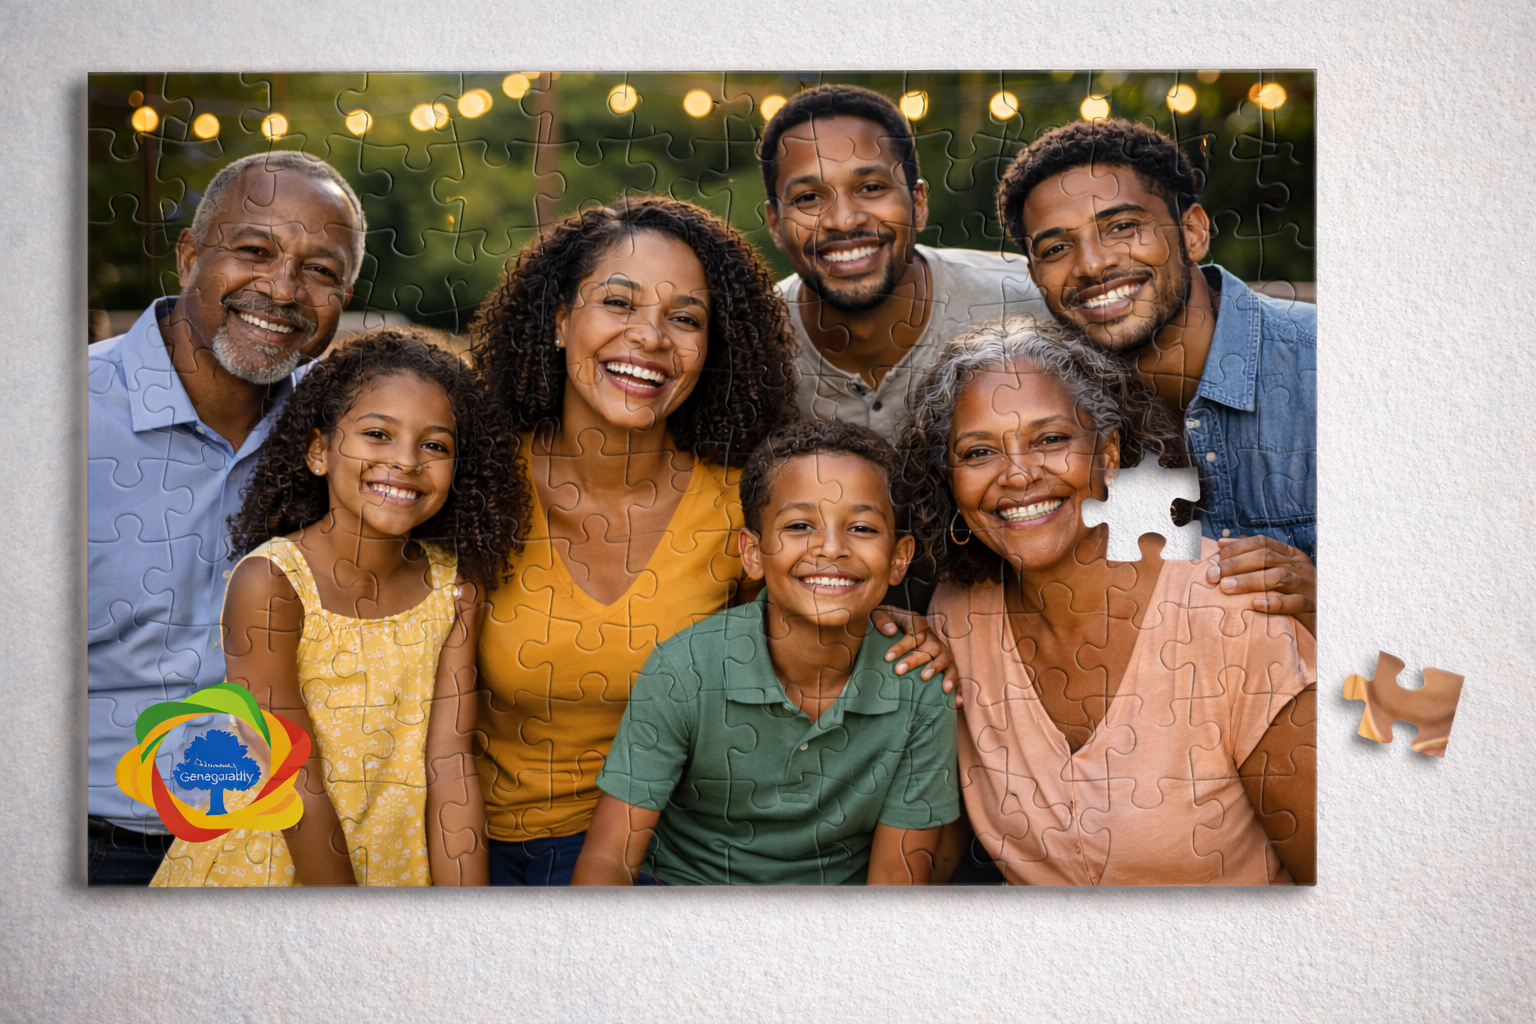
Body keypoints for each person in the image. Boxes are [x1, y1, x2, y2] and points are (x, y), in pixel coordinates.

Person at [470, 195, 953, 886]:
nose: (651, 337)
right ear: (557, 319)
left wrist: (890, 625)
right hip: (490, 843)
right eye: (618, 303)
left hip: (680, 853)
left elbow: (801, 617)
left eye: (686, 319)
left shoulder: (737, 509)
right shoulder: (477, 484)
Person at [907, 316, 1315, 886]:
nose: (1019, 475)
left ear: (1108, 454)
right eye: (978, 452)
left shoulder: (1234, 608)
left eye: (1050, 439)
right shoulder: (954, 619)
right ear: (948, 479)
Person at [152, 329, 523, 885]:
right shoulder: (272, 582)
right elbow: (291, 771)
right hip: (272, 863)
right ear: (320, 451)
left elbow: (450, 765)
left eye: (435, 445)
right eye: (378, 434)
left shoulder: (456, 587)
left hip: (397, 862)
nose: (405, 461)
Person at [87, 151, 366, 885]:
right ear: (190, 256)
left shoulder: (349, 438)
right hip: (96, 845)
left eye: (321, 270)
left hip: (283, 843)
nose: (282, 289)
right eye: (254, 250)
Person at [572, 421, 959, 885]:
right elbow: (607, 860)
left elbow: (896, 879)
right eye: (799, 525)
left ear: (899, 558)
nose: (831, 548)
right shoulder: (685, 670)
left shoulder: (920, 683)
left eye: (861, 527)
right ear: (753, 554)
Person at [996, 118, 1316, 636]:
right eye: (1056, 249)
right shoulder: (1051, 415)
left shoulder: (1331, 365)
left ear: (1192, 232)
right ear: (1036, 277)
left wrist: (1335, 600)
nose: (1093, 265)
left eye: (1122, 226)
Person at [760, 84, 1053, 445]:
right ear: (775, 224)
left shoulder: (1028, 302)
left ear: (917, 204)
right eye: (808, 198)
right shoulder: (751, 342)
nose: (845, 220)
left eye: (871, 187)